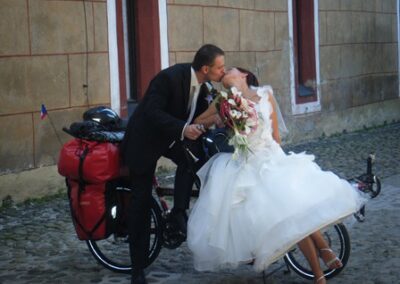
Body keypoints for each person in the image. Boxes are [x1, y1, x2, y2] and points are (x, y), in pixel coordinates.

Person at [187, 68, 366, 284]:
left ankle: (322, 261)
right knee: (289, 216)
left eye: (231, 70)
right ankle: (321, 266)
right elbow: (198, 120)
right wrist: (220, 117)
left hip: (272, 158)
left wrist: (275, 159)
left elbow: (276, 136)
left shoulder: (265, 95)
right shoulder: (223, 101)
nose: (226, 71)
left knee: (296, 210)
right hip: (248, 164)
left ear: (243, 75)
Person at [120, 44, 225, 284]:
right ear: (206, 68)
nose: (223, 71)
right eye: (220, 67)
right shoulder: (169, 78)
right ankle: (138, 269)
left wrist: (218, 119)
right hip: (144, 142)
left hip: (169, 138)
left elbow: (201, 116)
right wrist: (183, 128)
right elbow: (151, 112)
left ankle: (179, 213)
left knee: (194, 158)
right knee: (141, 203)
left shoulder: (205, 86)